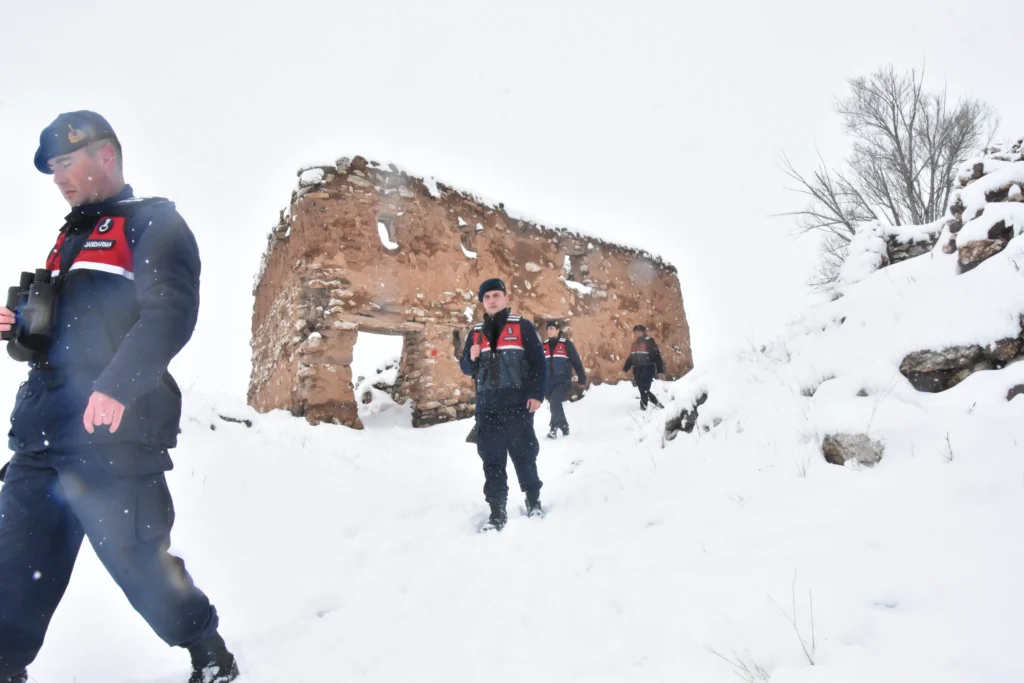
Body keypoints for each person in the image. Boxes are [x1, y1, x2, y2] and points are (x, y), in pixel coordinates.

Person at [0, 112, 238, 683]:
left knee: (140, 565)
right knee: (13, 564)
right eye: (51, 168)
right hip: (42, 432)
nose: (57, 178)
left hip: (113, 435)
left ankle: (207, 647)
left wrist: (116, 385)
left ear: (105, 155)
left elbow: (170, 312)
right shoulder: (68, 238)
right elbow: (60, 335)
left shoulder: (155, 223)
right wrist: (20, 329)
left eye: (64, 163)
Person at [459, 278, 547, 531]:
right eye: (487, 297)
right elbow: (466, 368)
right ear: (482, 302)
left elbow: (538, 364)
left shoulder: (522, 327)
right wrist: (470, 358)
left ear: (506, 298)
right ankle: (497, 510)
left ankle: (533, 499)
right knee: (492, 459)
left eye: (497, 295)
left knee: (524, 454)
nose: (492, 300)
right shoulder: (476, 332)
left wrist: (537, 395)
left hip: (518, 403)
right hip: (487, 406)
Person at [542, 320, 586, 439]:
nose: (549, 331)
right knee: (554, 405)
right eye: (548, 328)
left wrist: (582, 376)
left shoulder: (566, 344)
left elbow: (576, 361)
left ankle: (553, 428)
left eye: (552, 328)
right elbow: (538, 364)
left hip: (562, 380)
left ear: (558, 330)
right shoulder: (544, 345)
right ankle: (564, 426)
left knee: (555, 401)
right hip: (548, 382)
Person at [623, 324, 666, 410]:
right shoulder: (634, 344)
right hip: (637, 370)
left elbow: (657, 356)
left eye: (638, 331)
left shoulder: (649, 341)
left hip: (647, 368)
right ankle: (658, 404)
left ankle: (643, 409)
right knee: (643, 390)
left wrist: (660, 371)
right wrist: (625, 369)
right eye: (635, 332)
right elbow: (631, 357)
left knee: (644, 390)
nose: (636, 333)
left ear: (642, 332)